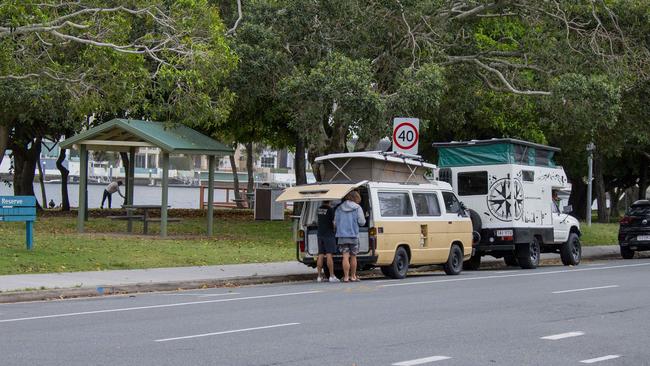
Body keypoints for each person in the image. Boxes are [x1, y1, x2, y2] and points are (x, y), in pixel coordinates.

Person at [335, 190, 366, 282]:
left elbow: (335, 222)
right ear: (356, 198)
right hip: (353, 235)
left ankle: (345, 277)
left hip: (342, 236)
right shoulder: (357, 208)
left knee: (345, 256)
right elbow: (362, 222)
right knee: (353, 256)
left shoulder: (339, 208)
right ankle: (353, 276)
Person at [316, 200, 339, 283]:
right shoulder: (330, 210)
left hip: (320, 234)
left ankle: (319, 276)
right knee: (329, 254)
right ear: (330, 201)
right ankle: (331, 276)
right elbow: (334, 222)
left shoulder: (319, 209)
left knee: (321, 254)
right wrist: (335, 228)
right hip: (328, 234)